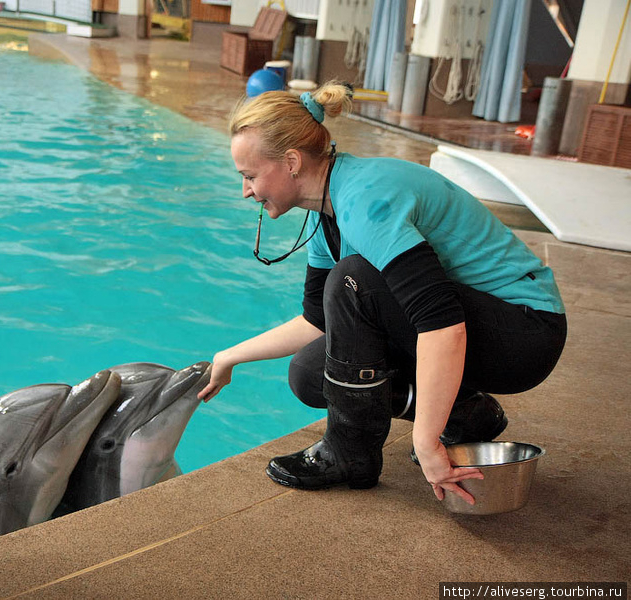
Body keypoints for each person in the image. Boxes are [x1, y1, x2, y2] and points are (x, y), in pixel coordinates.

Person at [197, 80, 567, 505]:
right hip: (483, 326)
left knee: (353, 280)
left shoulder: (365, 201)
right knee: (312, 373)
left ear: (292, 162)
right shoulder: (327, 211)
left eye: (250, 176)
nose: (246, 191)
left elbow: (442, 323)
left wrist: (427, 443)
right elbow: (317, 319)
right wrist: (229, 357)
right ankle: (467, 414)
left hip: (524, 333)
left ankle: (350, 453)